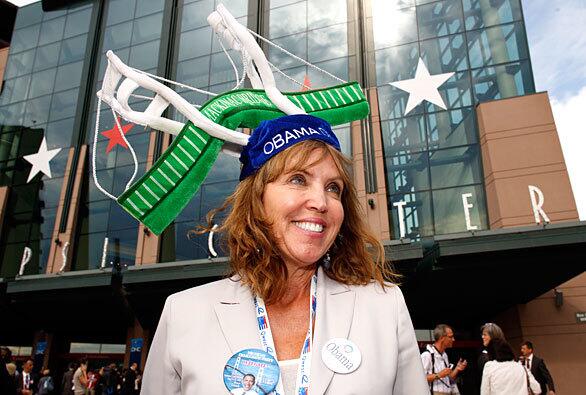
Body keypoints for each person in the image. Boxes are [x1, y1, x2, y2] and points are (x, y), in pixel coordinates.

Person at [141, 114, 428, 393]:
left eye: (333, 187)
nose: (320, 201)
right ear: (256, 199)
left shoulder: (384, 307)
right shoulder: (184, 313)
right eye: (298, 180)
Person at [421, 324, 467, 394]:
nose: (453, 339)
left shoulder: (444, 355)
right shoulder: (427, 355)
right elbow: (419, 379)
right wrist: (438, 375)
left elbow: (449, 378)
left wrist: (457, 369)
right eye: (450, 337)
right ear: (442, 338)